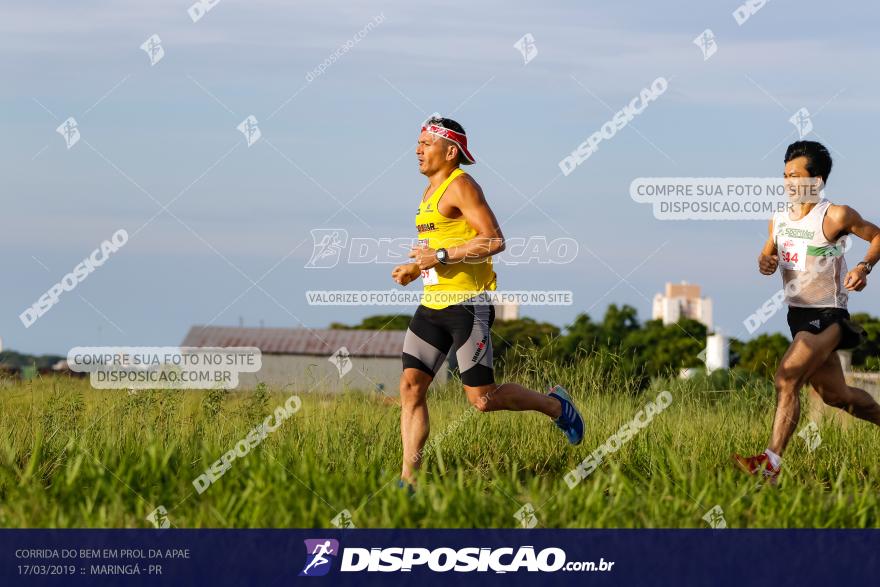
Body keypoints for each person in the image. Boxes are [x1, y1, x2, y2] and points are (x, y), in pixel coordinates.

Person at [391, 115, 585, 485]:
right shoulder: (429, 192)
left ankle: (556, 406)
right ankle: (409, 480)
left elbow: (494, 240)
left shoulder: (461, 185)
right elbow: (442, 247)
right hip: (432, 304)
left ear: (451, 151)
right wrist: (417, 268)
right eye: (417, 142)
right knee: (411, 386)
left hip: (467, 306)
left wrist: (442, 256)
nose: (418, 149)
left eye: (426, 143)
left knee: (482, 400)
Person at [734, 141, 880, 483]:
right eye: (784, 175)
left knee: (786, 378)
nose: (787, 182)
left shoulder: (835, 215)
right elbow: (766, 255)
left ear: (816, 180)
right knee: (838, 397)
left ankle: (770, 465)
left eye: (795, 175)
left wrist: (862, 268)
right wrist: (765, 262)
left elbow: (876, 237)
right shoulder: (779, 219)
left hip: (828, 315)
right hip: (797, 318)